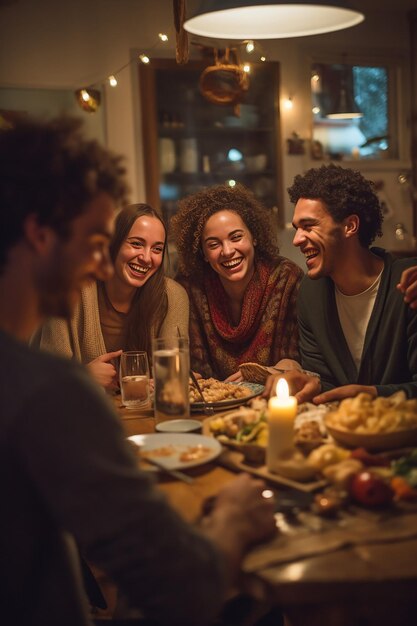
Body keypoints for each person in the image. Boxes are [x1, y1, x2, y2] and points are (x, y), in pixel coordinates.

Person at [0, 115, 276, 626]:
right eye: (94, 240)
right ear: (40, 234)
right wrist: (235, 518)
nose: (105, 265)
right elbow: (180, 584)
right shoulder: (48, 392)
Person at [265, 164, 417, 404]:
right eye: (297, 228)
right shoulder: (311, 294)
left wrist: (373, 394)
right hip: (340, 435)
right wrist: (307, 383)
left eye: (309, 226)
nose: (296, 240)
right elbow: (325, 383)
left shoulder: (408, 283)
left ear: (350, 226)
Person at [33, 203, 189, 389]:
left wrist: (173, 378)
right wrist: (84, 376)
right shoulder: (67, 289)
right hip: (77, 412)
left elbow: (172, 372)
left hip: (143, 414)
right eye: (136, 244)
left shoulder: (172, 296)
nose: (146, 258)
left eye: (157, 249)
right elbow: (45, 378)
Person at [170, 183, 303, 381]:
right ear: (203, 254)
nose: (227, 251)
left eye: (236, 237)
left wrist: (265, 374)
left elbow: (299, 363)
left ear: (254, 237)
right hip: (210, 407)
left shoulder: (286, 278)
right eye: (213, 244)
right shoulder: (190, 287)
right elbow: (184, 366)